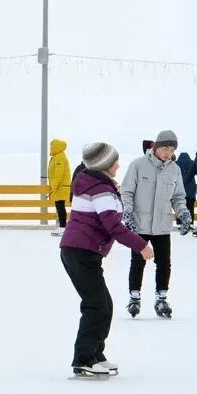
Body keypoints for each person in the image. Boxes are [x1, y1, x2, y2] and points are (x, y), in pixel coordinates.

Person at [60, 143, 153, 378]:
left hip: (83, 252)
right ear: (104, 165)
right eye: (114, 162)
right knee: (96, 306)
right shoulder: (100, 189)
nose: (118, 165)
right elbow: (111, 225)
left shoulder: (99, 185)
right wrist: (140, 244)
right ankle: (83, 360)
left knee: (104, 305)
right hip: (81, 253)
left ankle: (95, 355)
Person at [121, 130, 191, 318]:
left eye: (172, 149)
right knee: (137, 262)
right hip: (139, 224)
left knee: (164, 263)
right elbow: (126, 191)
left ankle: (161, 298)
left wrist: (183, 213)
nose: (168, 152)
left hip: (161, 224)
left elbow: (178, 197)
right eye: (165, 148)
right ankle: (134, 297)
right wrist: (127, 211)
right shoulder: (138, 165)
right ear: (156, 147)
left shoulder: (174, 169)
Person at [48, 138, 71, 237]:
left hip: (60, 187)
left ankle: (62, 228)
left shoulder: (59, 157)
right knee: (59, 207)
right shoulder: (58, 156)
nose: (50, 148)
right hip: (60, 186)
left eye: (52, 146)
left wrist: (54, 186)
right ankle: (62, 227)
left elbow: (58, 173)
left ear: (56, 146)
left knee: (60, 207)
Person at [175, 150, 197, 222]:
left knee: (179, 207)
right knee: (190, 208)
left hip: (179, 191)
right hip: (190, 191)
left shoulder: (176, 164)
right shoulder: (192, 163)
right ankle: (190, 222)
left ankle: (179, 222)